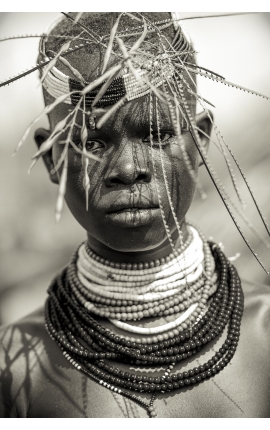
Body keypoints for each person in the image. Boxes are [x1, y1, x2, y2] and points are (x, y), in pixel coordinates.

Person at [0, 12, 269, 418]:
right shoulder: (15, 368)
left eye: (157, 135)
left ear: (199, 142)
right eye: (92, 142)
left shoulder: (265, 334)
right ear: (52, 156)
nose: (127, 169)